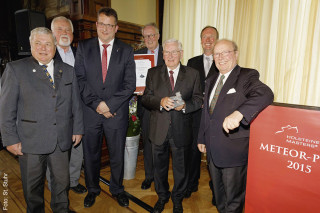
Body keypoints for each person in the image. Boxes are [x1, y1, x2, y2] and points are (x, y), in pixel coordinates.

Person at [0, 27, 84, 213]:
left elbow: (75, 103)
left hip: (61, 140)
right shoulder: (15, 69)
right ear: (30, 45)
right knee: (33, 190)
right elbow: (6, 110)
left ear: (54, 46)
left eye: (48, 43)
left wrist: (77, 128)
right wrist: (10, 139)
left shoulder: (68, 70)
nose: (43, 48)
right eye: (38, 43)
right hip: (30, 141)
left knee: (62, 184)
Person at [197, 39, 274, 213]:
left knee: (233, 202)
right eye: (217, 53)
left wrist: (239, 113)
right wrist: (202, 136)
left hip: (233, 150)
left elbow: (265, 94)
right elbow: (206, 113)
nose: (221, 57)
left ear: (236, 54)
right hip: (212, 149)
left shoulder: (246, 76)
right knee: (219, 198)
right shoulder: (211, 79)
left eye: (226, 52)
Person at [74, 7, 136, 208]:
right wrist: (98, 105)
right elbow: (80, 80)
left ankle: (117, 189)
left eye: (110, 25)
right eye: (102, 24)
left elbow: (129, 85)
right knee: (90, 154)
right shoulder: (83, 47)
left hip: (115, 114)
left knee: (117, 155)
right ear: (96, 25)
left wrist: (109, 105)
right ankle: (92, 189)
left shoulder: (126, 50)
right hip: (90, 113)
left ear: (116, 28)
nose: (105, 28)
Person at [142, 38, 203, 213]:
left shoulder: (192, 74)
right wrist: (160, 101)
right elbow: (146, 98)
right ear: (162, 54)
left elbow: (198, 99)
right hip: (158, 129)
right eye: (166, 52)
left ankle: (177, 199)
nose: (170, 55)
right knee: (158, 168)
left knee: (181, 168)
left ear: (181, 54)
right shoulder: (153, 73)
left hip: (181, 129)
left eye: (174, 52)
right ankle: (162, 197)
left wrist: (185, 105)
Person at [46, 16, 87, 194]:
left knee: (77, 149)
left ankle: (72, 180)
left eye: (67, 30)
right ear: (52, 34)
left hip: (80, 111)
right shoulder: (46, 54)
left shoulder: (82, 53)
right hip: (55, 113)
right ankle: (55, 184)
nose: (64, 33)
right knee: (54, 151)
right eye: (60, 29)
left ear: (73, 33)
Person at [186, 26, 219, 202]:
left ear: (216, 40)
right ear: (200, 41)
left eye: (211, 37)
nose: (208, 40)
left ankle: (216, 189)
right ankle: (192, 183)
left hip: (215, 116)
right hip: (196, 115)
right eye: (204, 37)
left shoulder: (222, 60)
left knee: (214, 153)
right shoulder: (191, 62)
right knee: (193, 151)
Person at [134, 22, 164, 190]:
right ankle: (148, 176)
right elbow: (132, 78)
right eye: (146, 36)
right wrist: (135, 88)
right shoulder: (137, 55)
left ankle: (160, 177)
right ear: (143, 38)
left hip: (162, 107)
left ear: (158, 36)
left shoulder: (167, 53)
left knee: (161, 144)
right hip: (145, 106)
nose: (150, 39)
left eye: (153, 35)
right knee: (147, 143)